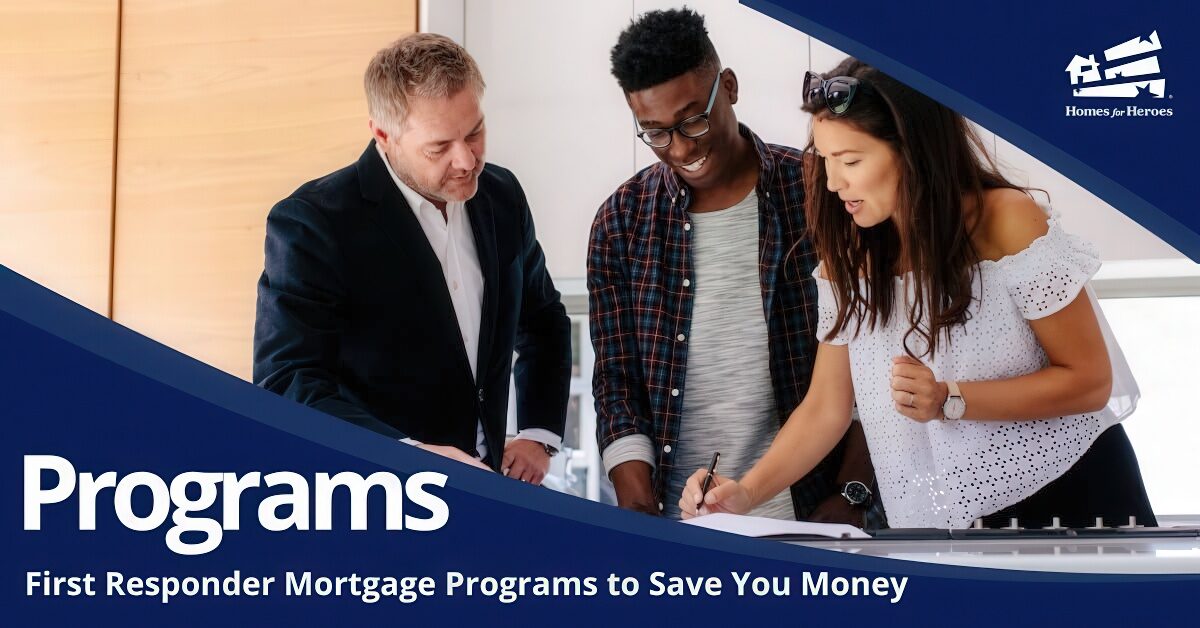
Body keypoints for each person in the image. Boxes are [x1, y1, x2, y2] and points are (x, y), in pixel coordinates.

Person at [680, 58, 1157, 529]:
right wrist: (746, 493)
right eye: (825, 160)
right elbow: (827, 407)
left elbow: (1091, 381)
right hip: (957, 522)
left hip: (1072, 493)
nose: (832, 181)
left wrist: (950, 399)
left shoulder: (1008, 221)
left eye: (850, 161)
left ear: (911, 151)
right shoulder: (851, 255)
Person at [590, 9, 883, 525]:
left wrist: (850, 497)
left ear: (728, 86)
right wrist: (637, 510)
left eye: (692, 120)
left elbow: (872, 358)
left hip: (820, 512)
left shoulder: (822, 190)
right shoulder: (621, 221)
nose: (680, 148)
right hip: (684, 521)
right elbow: (617, 383)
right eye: (655, 133)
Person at [254, 33, 571, 483]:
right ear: (383, 135)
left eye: (475, 133)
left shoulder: (503, 196)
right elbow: (286, 383)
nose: (467, 161)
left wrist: (538, 434)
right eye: (439, 147)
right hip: (372, 495)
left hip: (489, 493)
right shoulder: (313, 223)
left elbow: (542, 319)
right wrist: (409, 456)